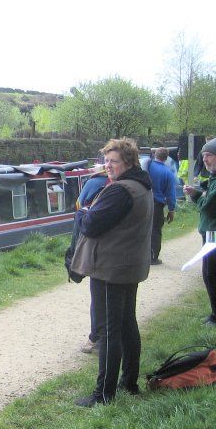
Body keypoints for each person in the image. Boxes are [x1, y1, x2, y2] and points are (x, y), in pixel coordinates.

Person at [70, 138, 153, 407]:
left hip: (110, 270)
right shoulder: (142, 185)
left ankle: (103, 395)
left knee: (108, 330)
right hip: (128, 266)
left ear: (127, 162)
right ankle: (129, 381)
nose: (107, 166)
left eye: (113, 161)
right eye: (105, 160)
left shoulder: (120, 191)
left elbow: (91, 225)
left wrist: (82, 213)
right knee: (127, 324)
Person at [75, 165, 108, 354]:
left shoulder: (94, 182)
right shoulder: (132, 185)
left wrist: (81, 214)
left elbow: (79, 205)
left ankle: (97, 337)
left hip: (98, 250)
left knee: (98, 297)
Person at [184, 138, 216, 326]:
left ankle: (215, 316)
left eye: (210, 155)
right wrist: (201, 189)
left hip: (214, 232)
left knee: (211, 274)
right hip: (211, 231)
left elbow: (208, 208)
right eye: (203, 155)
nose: (205, 159)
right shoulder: (214, 178)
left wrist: (196, 195)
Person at [146, 147, 176, 265]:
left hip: (143, 200)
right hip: (157, 204)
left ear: (154, 154)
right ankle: (153, 257)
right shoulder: (168, 172)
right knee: (156, 230)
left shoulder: (147, 166)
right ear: (166, 158)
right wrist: (171, 209)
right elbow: (170, 193)